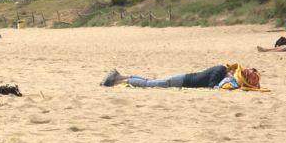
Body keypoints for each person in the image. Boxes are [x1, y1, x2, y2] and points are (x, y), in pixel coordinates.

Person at [100, 64, 260, 90]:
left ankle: (122, 76)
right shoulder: (220, 70)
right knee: (151, 83)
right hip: (183, 80)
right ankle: (122, 79)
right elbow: (212, 85)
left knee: (151, 81)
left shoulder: (222, 71)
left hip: (184, 79)